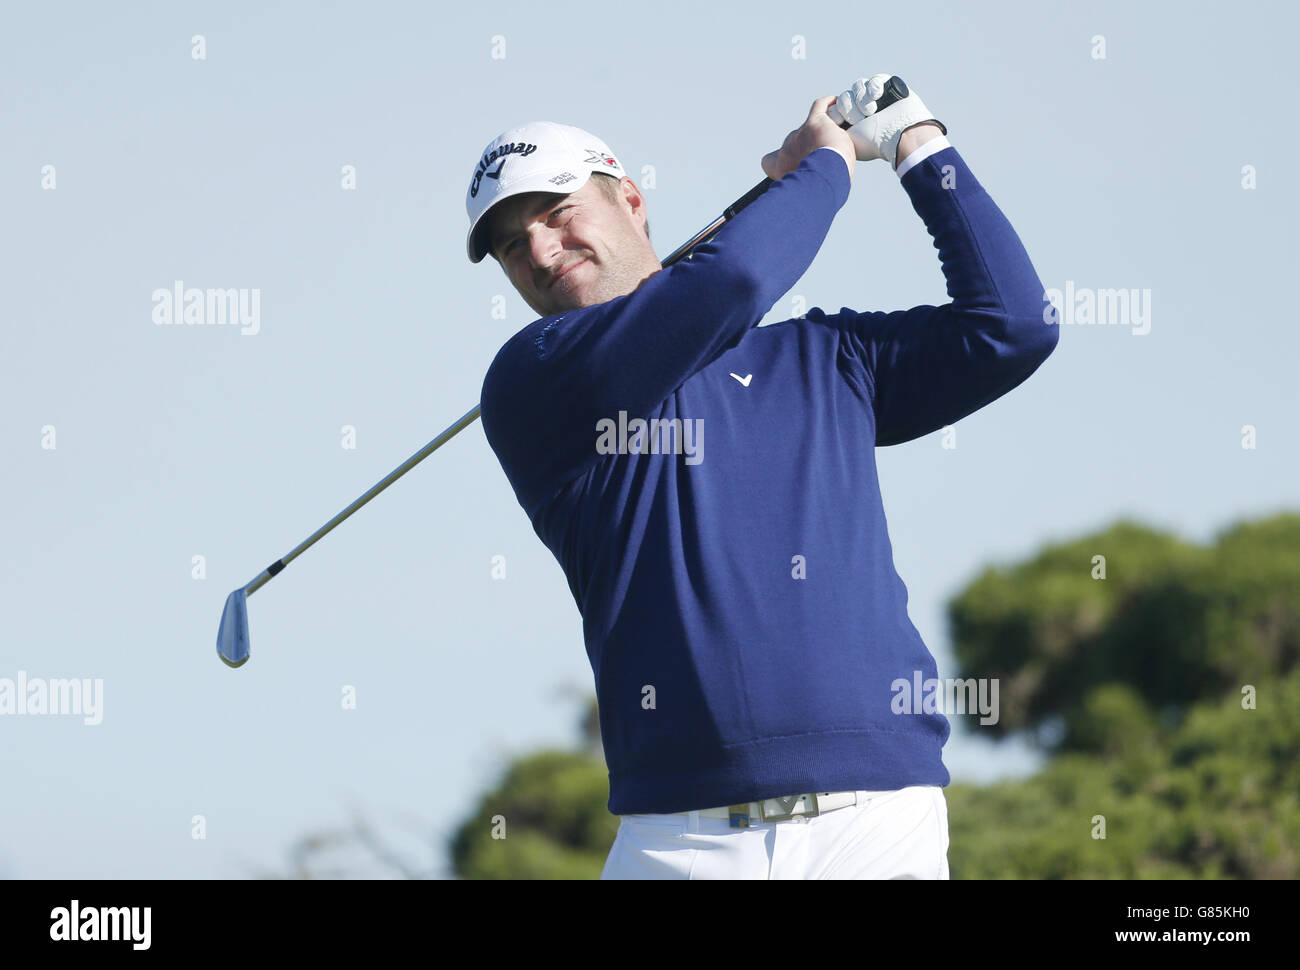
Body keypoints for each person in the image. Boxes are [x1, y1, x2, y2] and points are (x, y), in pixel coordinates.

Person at [464, 75, 1058, 879]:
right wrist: (824, 167)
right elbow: (732, 283)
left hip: (879, 824)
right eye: (509, 244)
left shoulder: (826, 358)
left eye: (558, 213)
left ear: (631, 202)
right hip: (680, 843)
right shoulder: (533, 381)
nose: (538, 250)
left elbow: (1013, 326)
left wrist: (917, 144)